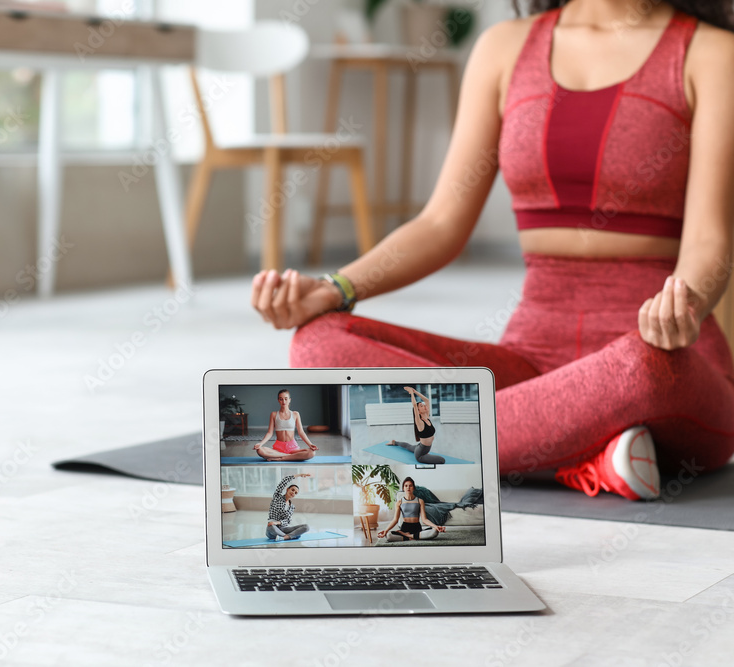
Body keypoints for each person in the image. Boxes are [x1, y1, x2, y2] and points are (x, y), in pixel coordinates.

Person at [250, 0, 734, 501]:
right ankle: (581, 452)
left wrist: (686, 305)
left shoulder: (712, 53)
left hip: (657, 360)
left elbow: (710, 240)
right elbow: (440, 223)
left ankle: (473, 449)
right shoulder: (505, 48)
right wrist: (334, 289)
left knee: (643, 365)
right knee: (318, 345)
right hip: (530, 364)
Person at [253, 389, 320, 461]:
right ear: (278, 400)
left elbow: (301, 432)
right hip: (278, 449)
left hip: (293, 448)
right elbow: (269, 433)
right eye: (281, 399)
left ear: (289, 400)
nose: (284, 401)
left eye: (286, 399)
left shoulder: (295, 414)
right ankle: (290, 457)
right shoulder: (274, 414)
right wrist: (260, 444)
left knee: (311, 453)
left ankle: (281, 458)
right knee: (260, 450)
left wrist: (310, 444)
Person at [388, 386, 448, 464]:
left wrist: (415, 391)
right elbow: (414, 405)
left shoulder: (427, 417)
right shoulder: (419, 422)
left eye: (423, 405)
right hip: (421, 455)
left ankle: (394, 442)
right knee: (442, 460)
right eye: (421, 406)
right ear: (418, 411)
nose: (424, 406)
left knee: (408, 446)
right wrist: (412, 394)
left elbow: (426, 400)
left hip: (420, 447)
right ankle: (395, 443)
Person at [376, 477, 447, 542]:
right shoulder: (399, 502)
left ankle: (407, 536)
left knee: (435, 531)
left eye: (410, 486)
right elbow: (395, 520)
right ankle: (414, 536)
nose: (408, 488)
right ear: (403, 488)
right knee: (388, 535)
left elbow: (424, 520)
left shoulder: (420, 501)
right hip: (405, 528)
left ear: (414, 488)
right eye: (406, 486)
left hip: (416, 528)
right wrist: (385, 530)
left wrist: (436, 526)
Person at [267, 473, 312, 541]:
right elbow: (284, 481)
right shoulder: (277, 497)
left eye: (295, 493)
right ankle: (290, 536)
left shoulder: (292, 507)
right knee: (271, 527)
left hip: (283, 528)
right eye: (292, 490)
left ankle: (284, 537)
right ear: (287, 489)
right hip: (273, 528)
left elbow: (287, 520)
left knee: (306, 527)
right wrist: (299, 475)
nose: (293, 493)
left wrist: (278, 522)